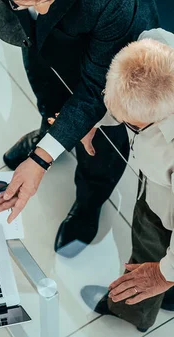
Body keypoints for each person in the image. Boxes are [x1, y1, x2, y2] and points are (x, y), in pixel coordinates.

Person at [0, 0, 159, 257]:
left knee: (100, 144)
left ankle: (89, 202)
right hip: (44, 39)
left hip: (106, 55)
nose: (44, 9)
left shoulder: (116, 6)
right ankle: (49, 134)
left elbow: (97, 89)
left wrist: (40, 160)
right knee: (47, 93)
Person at [80, 29, 174, 332]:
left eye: (131, 124)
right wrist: (94, 118)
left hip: (164, 206)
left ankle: (130, 312)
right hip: (159, 178)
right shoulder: (157, 44)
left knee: (148, 253)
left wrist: (163, 274)